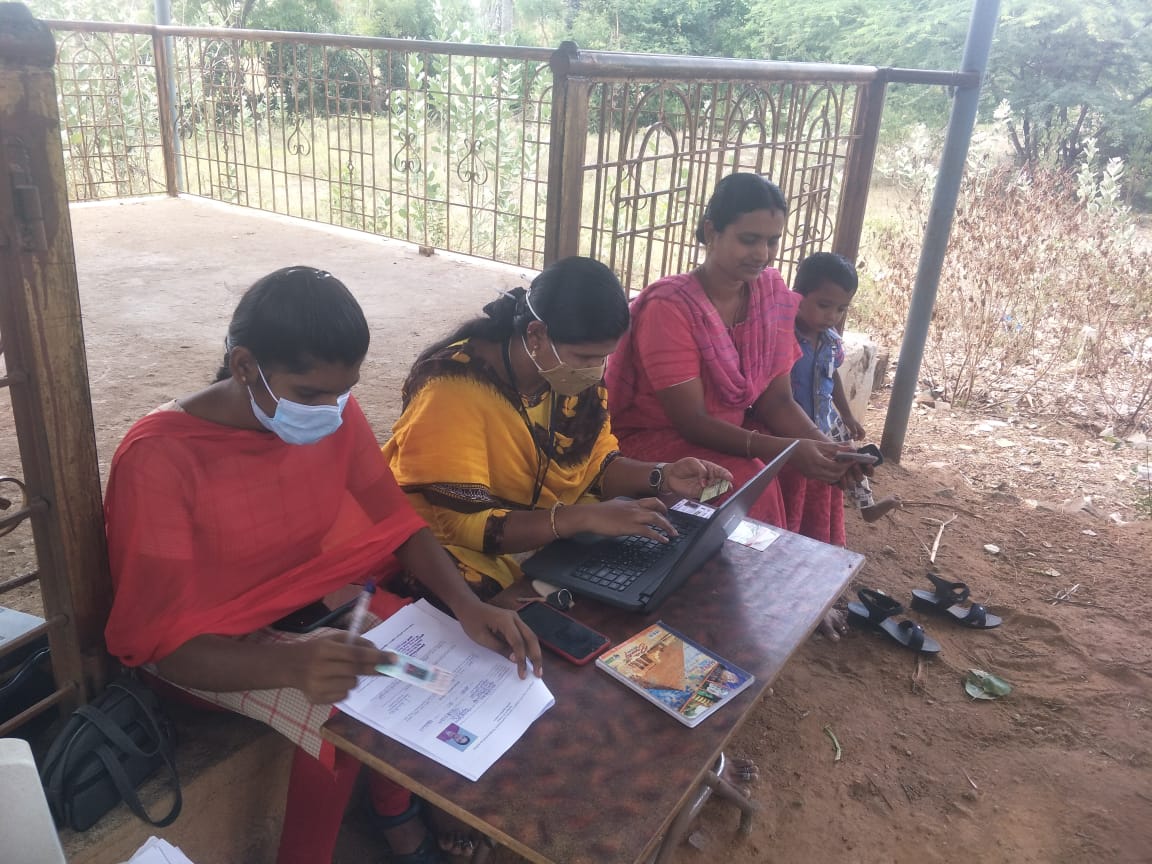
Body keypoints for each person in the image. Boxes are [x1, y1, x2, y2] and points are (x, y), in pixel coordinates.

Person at [103, 266, 542, 864]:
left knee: (441, 662)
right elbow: (162, 646)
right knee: (344, 711)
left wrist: (467, 606)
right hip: (204, 649)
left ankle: (395, 806)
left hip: (302, 607)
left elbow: (396, 521)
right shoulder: (158, 458)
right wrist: (289, 663)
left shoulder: (332, 413)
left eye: (344, 390)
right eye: (311, 394)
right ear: (244, 367)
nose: (332, 409)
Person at [383, 255, 732, 601]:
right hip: (458, 539)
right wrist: (578, 519)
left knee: (642, 535)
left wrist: (662, 475)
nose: (596, 370)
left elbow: (596, 468)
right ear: (536, 333)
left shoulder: (569, 374)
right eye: (586, 357)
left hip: (551, 521)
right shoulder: (451, 388)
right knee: (479, 594)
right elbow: (466, 524)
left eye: (604, 357)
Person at [605, 172, 854, 529]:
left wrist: (824, 446)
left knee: (814, 468)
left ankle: (796, 564)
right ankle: (741, 568)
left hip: (730, 432)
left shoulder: (769, 294)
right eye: (749, 239)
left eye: (772, 241)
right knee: (746, 481)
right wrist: (787, 449)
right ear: (711, 232)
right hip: (656, 439)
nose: (762, 254)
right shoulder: (670, 307)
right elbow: (692, 421)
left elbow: (777, 400)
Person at [778, 252, 899, 546]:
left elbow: (833, 377)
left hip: (826, 420)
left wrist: (846, 415)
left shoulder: (831, 340)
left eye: (841, 308)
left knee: (852, 458)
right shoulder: (784, 337)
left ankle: (866, 505)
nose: (832, 316)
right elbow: (778, 397)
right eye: (824, 305)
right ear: (798, 297)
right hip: (792, 423)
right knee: (799, 486)